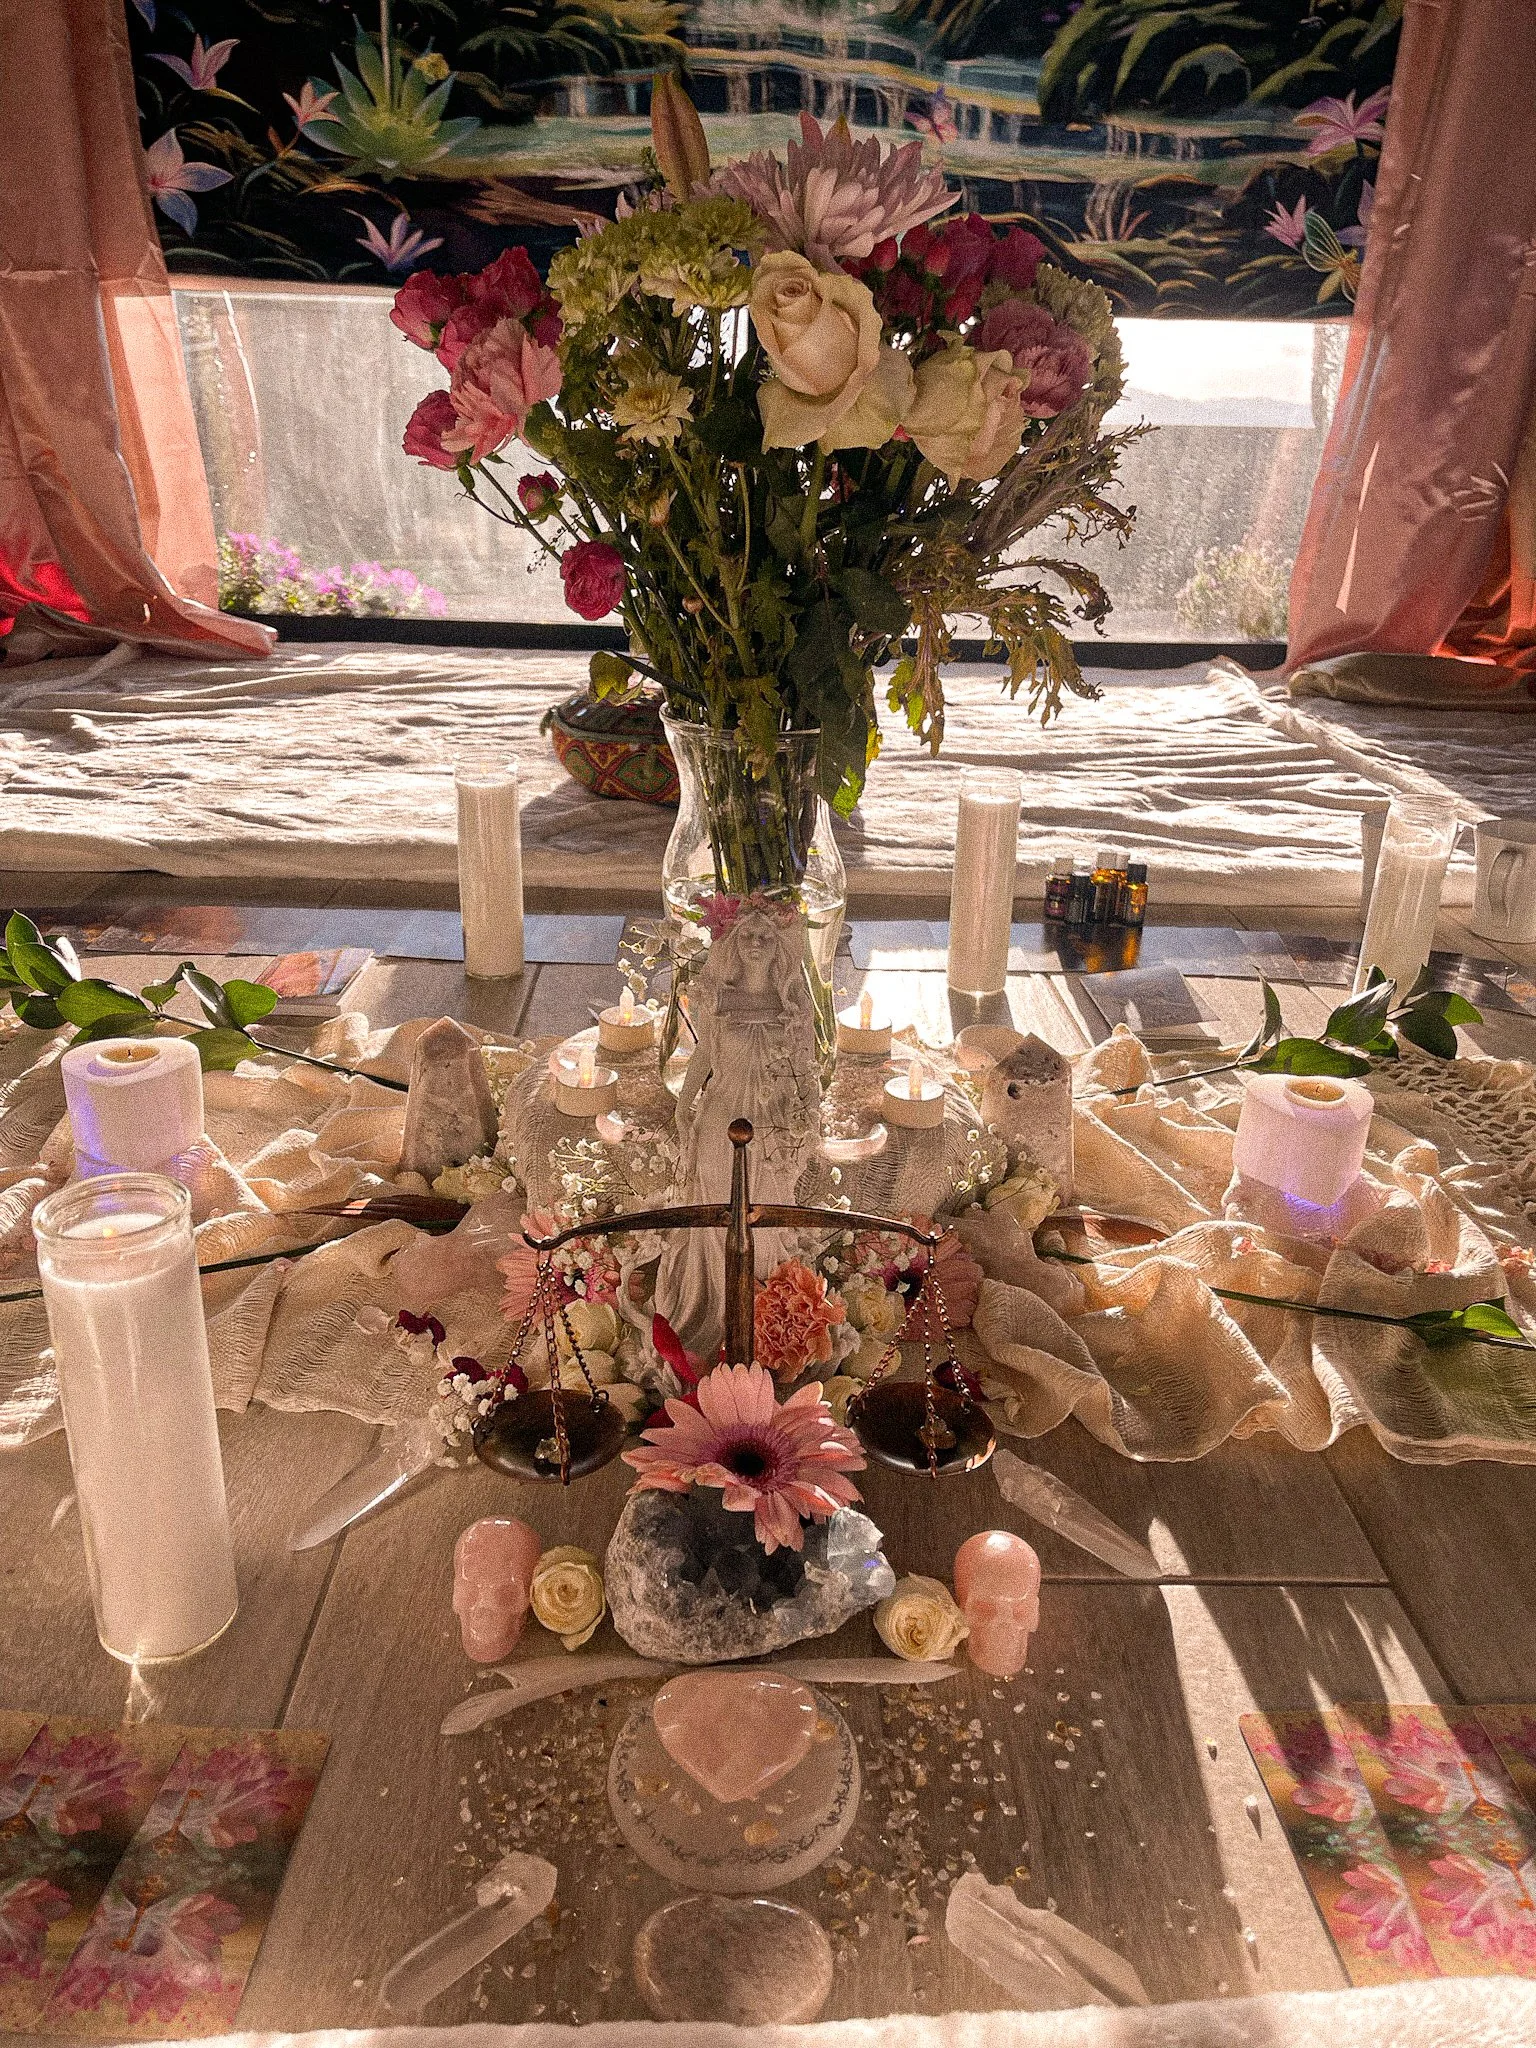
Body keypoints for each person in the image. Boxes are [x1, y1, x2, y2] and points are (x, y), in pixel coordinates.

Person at [652, 899, 821, 1363]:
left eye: (765, 936)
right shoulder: (719, 1000)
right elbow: (704, 1058)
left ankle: (766, 1318)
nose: (754, 943)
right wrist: (685, 1104)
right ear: (731, 942)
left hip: (772, 1121)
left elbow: (804, 1068)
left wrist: (812, 1113)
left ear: (779, 948)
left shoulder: (791, 1005)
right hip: (720, 1117)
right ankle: (713, 1310)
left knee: (763, 1219)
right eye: (746, 935)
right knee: (717, 1215)